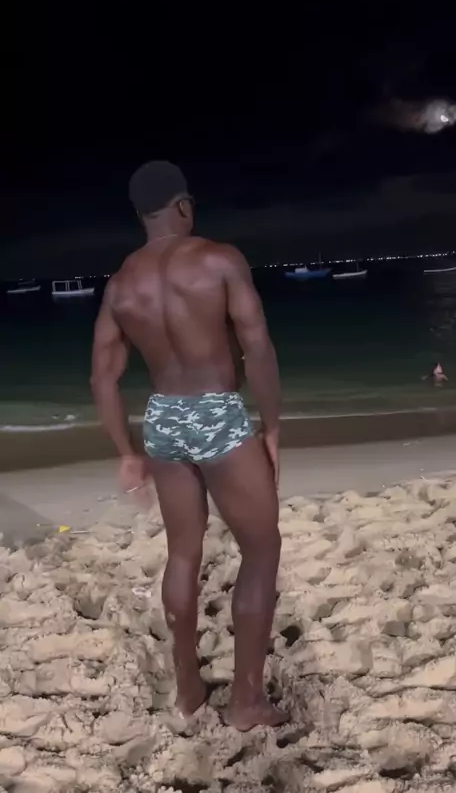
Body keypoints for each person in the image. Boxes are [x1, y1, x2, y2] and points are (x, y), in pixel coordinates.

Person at [91, 161, 287, 731]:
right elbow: (257, 347)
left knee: (183, 553)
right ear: (183, 205)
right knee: (261, 549)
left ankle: (188, 690)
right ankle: (246, 703)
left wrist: (126, 451)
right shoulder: (219, 260)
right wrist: (272, 427)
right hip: (217, 413)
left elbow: (103, 377)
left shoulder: (121, 284)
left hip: (163, 419)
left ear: (141, 215)